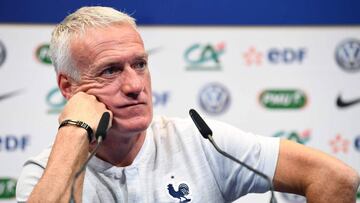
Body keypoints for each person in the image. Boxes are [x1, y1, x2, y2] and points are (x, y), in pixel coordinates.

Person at [16, 6, 359, 203]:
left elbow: (335, 178)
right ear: (68, 86)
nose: (135, 85)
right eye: (110, 71)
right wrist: (74, 134)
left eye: (140, 64)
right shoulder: (42, 173)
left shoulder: (200, 142)